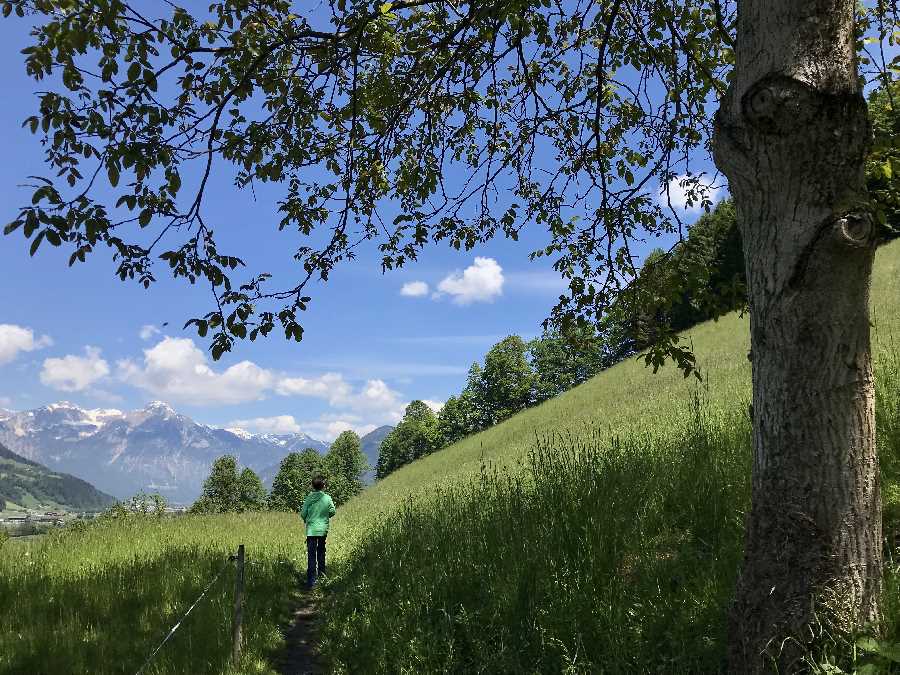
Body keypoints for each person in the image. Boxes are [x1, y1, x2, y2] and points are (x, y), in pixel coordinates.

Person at [300, 475, 336, 589]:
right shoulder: (327, 498)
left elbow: (303, 513)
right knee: (321, 553)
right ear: (323, 486)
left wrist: (308, 519)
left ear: (312, 486)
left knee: (311, 555)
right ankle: (322, 577)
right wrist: (325, 516)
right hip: (322, 530)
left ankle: (311, 582)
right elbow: (332, 511)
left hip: (311, 531)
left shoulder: (309, 498)